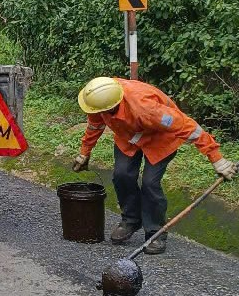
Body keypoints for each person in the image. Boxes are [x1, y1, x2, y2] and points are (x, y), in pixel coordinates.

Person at [74, 77, 236, 254]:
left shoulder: (146, 109)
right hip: (128, 137)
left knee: (150, 183)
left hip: (160, 140)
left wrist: (217, 158)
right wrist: (85, 152)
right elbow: (95, 126)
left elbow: (189, 128)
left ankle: (155, 232)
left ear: (112, 105)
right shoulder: (99, 98)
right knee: (122, 175)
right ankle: (131, 220)